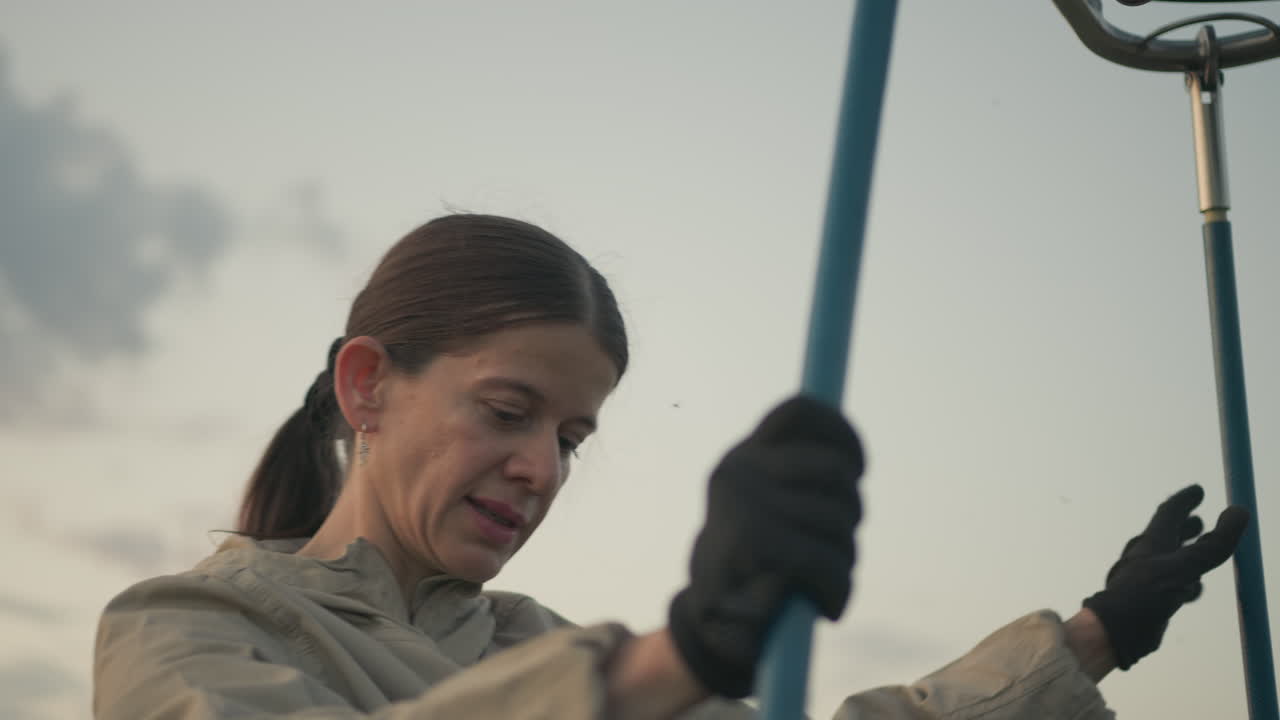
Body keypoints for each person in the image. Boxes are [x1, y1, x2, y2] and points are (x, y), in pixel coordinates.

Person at [93, 214, 1248, 720]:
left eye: (571, 437)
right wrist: (673, 659)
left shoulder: (537, 648)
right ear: (366, 386)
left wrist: (1090, 637)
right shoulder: (180, 628)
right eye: (508, 410)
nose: (539, 468)